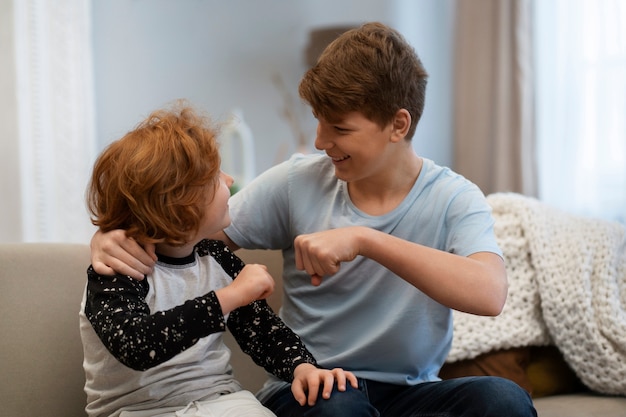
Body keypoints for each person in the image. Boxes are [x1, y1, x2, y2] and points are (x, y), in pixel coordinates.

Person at [90, 23, 537, 417]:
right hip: (312, 388)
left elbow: (489, 293)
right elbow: (184, 232)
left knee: (504, 401)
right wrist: (111, 235)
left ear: (398, 125)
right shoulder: (295, 182)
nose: (321, 141)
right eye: (319, 123)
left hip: (410, 394)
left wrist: (365, 240)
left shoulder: (454, 198)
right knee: (341, 404)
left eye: (339, 129)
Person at [80, 103, 357, 417]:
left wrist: (301, 367)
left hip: (221, 401)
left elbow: (262, 332)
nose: (228, 180)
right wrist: (230, 297)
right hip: (139, 410)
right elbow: (137, 345)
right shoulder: (118, 273)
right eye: (215, 176)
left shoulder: (216, 258)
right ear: (180, 205)